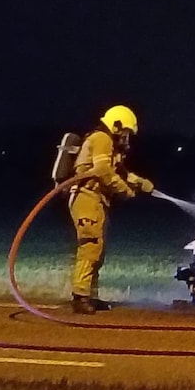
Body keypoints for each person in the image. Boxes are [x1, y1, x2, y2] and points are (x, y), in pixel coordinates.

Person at [66, 105, 154, 314]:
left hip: (97, 200)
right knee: (90, 246)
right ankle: (80, 297)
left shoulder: (110, 146)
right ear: (116, 126)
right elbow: (103, 171)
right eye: (125, 133)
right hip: (86, 197)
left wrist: (140, 183)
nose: (126, 138)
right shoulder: (102, 139)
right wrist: (126, 191)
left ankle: (91, 296)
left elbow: (119, 172)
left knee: (98, 249)